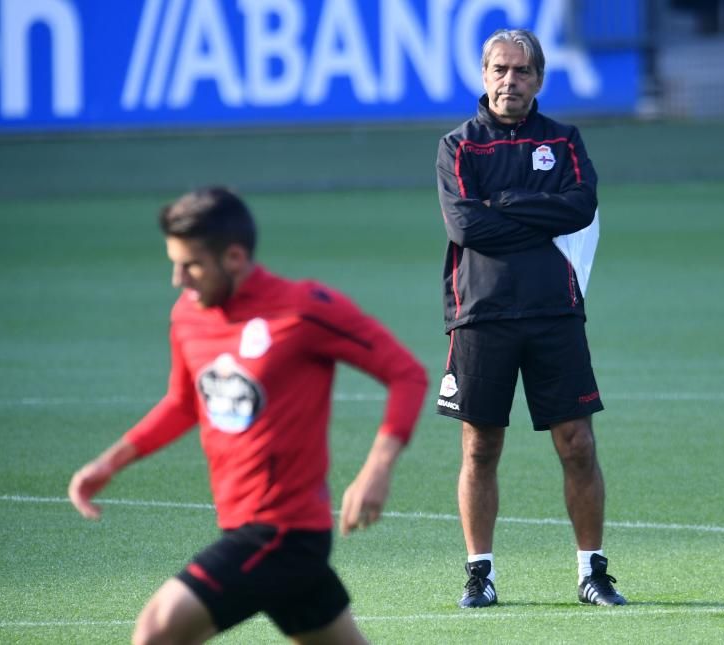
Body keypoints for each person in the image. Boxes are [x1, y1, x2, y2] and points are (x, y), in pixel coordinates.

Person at [68, 187, 428, 643]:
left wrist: (377, 469)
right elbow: (183, 403)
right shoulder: (188, 316)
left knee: (157, 629)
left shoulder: (305, 309)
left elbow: (406, 374)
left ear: (234, 257)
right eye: (173, 263)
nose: (178, 279)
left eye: (191, 265)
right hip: (246, 523)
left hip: (281, 533)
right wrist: (110, 462)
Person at [435, 29, 626, 608]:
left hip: (554, 312)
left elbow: (581, 205)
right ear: (483, 74)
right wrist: (537, 213)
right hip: (481, 314)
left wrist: (505, 205)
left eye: (521, 72)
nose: (509, 81)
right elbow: (465, 227)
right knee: (480, 447)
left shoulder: (563, 141)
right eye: (499, 69)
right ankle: (480, 573)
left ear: (539, 79)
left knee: (577, 445)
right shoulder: (457, 146)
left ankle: (591, 571)